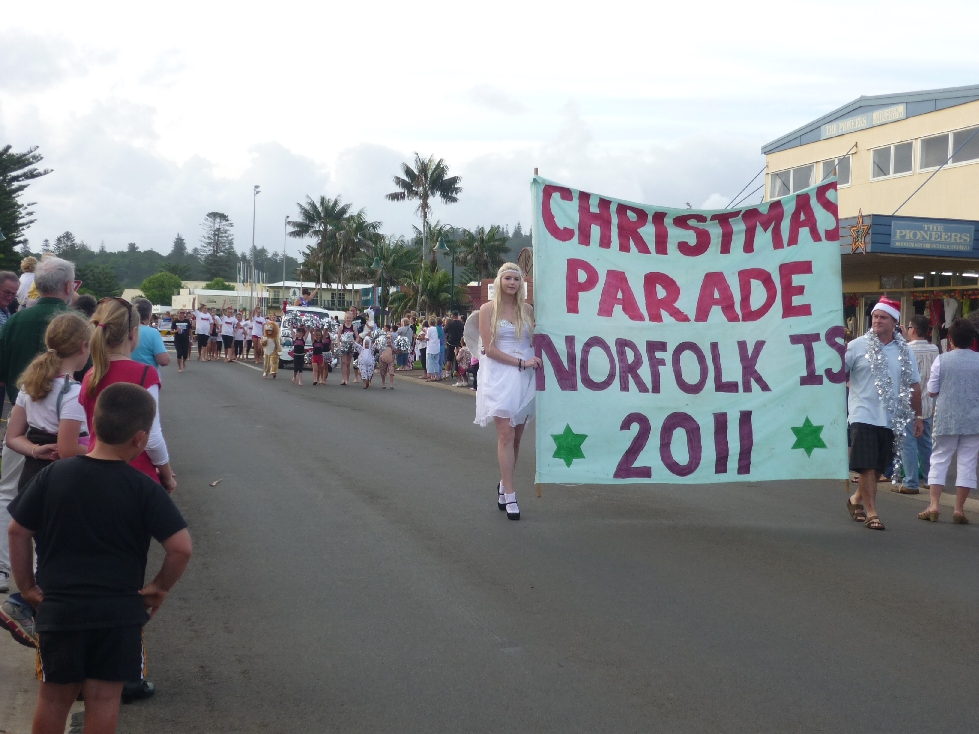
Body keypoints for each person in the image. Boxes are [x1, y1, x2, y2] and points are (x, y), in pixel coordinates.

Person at [7, 383, 192, 733]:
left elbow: (18, 531)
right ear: (140, 439)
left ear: (93, 423)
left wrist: (27, 586)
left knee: (52, 699)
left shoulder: (54, 475)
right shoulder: (143, 488)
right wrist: (159, 587)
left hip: (60, 609)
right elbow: (181, 547)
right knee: (105, 700)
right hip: (119, 614)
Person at [0, 257, 75, 592]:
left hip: (22, 417)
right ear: (69, 287)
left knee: (8, 494)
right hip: (70, 425)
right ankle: (50, 573)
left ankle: (6, 568)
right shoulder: (76, 322)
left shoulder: (14, 322)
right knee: (63, 503)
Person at [80, 297, 177, 493]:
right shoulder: (144, 374)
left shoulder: (91, 374)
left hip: (95, 469)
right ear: (133, 333)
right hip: (134, 472)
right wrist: (166, 473)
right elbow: (152, 437)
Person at [845, 297, 923, 531]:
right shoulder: (857, 345)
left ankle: (856, 499)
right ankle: (872, 511)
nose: (877, 321)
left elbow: (914, 385)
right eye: (875, 317)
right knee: (868, 465)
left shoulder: (904, 351)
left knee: (879, 467)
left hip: (892, 417)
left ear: (894, 322)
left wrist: (918, 416)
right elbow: (836, 373)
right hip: (862, 414)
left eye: (883, 317)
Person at [475, 263, 539, 521]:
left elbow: (536, 341)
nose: (512, 283)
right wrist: (520, 362)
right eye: (508, 278)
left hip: (526, 377)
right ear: (500, 281)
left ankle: (503, 483)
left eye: (516, 279)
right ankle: (511, 495)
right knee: (505, 433)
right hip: (500, 375)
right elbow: (489, 349)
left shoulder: (527, 310)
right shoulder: (487, 309)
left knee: (516, 438)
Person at [917, 318, 979, 524]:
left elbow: (932, 390)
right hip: (973, 419)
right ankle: (959, 509)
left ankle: (934, 505)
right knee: (967, 463)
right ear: (972, 340)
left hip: (946, 417)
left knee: (940, 459)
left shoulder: (942, 360)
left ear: (950, 339)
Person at [892, 315, 939, 495]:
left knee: (908, 442)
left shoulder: (905, 349)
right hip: (928, 403)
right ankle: (929, 478)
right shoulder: (934, 349)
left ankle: (911, 481)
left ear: (913, 329)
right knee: (926, 442)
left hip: (909, 403)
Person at [130, 298, 170, 375]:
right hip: (147, 377)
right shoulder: (152, 333)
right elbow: (164, 361)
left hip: (126, 376)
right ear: (149, 316)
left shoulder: (124, 330)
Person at [338, 311, 358, 386]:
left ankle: (347, 379)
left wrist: (355, 342)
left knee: (347, 363)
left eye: (350, 318)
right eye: (347, 318)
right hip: (343, 346)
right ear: (345, 319)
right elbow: (338, 337)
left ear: (352, 319)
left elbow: (357, 337)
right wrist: (339, 345)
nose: (348, 319)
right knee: (343, 362)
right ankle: (343, 379)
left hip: (350, 347)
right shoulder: (341, 327)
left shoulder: (354, 327)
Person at [445, 311, 463, 378]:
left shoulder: (449, 323)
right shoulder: (461, 324)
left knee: (449, 359)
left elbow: (445, 330)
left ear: (453, 315)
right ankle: (458, 373)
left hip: (451, 342)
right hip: (459, 343)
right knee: (458, 359)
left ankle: (447, 373)